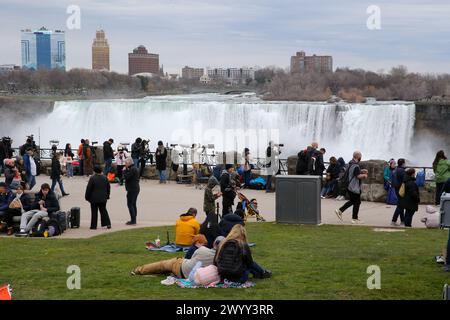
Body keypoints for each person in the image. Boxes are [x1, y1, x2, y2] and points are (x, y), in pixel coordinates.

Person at [132, 236, 224, 278]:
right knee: (164, 269)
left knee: (161, 265)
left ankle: (138, 270)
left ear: (213, 243)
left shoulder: (202, 250)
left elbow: (191, 259)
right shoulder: (220, 259)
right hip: (189, 276)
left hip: (181, 266)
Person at [334, 151, 368, 224]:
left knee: (353, 201)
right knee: (357, 202)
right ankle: (354, 219)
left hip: (349, 186)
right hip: (354, 187)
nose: (360, 158)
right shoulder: (356, 165)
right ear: (358, 157)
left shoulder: (350, 163)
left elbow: (353, 172)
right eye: (360, 156)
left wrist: (361, 171)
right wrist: (364, 175)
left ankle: (340, 211)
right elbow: (357, 176)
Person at [123, 158, 140, 225]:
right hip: (134, 188)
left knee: (130, 204)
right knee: (133, 204)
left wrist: (124, 171)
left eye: (126, 163)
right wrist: (126, 170)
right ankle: (134, 218)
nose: (125, 164)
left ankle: (133, 220)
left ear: (129, 163)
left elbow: (126, 177)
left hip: (132, 189)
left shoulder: (132, 169)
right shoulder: (133, 168)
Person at [391, 158, 407, 226]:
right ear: (403, 163)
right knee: (400, 205)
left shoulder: (396, 169)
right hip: (401, 189)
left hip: (396, 188)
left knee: (400, 205)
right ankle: (394, 221)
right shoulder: (402, 171)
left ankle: (402, 221)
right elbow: (404, 181)